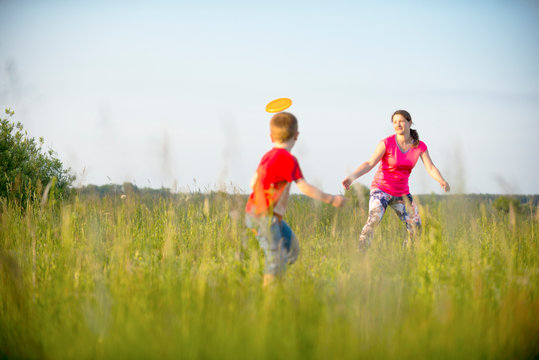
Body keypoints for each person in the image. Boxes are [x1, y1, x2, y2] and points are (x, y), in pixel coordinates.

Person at [246, 112, 346, 287]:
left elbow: (252, 182)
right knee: (275, 259)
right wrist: (332, 199)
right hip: (264, 217)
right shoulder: (288, 160)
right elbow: (305, 187)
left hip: (260, 214)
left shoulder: (267, 156)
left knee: (292, 250)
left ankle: (280, 280)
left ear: (271, 137)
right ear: (296, 135)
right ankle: (269, 296)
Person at [342, 110, 450, 249]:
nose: (398, 124)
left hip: (402, 194)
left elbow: (430, 167)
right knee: (373, 220)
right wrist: (352, 177)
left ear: (409, 122)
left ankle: (408, 256)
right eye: (395, 122)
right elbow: (370, 163)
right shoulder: (387, 143)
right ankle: (360, 253)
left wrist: (441, 180)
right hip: (381, 190)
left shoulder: (419, 146)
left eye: (401, 121)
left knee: (416, 228)